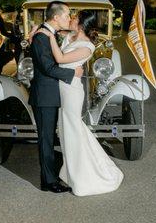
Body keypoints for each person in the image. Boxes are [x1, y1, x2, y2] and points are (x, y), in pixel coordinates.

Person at [38, 10, 124, 196]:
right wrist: (49, 33)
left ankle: (84, 175)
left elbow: (60, 59)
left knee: (73, 130)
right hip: (61, 88)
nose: (71, 19)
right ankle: (71, 172)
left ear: (82, 23)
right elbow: (57, 39)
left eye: (74, 18)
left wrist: (49, 36)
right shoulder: (71, 37)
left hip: (71, 92)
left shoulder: (87, 47)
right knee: (67, 132)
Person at [28, 1, 83, 193]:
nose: (69, 18)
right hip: (44, 95)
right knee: (46, 139)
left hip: (52, 94)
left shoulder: (49, 33)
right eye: (67, 14)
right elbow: (47, 67)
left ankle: (52, 176)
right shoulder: (41, 37)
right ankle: (48, 182)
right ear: (56, 17)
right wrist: (72, 74)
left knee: (50, 137)